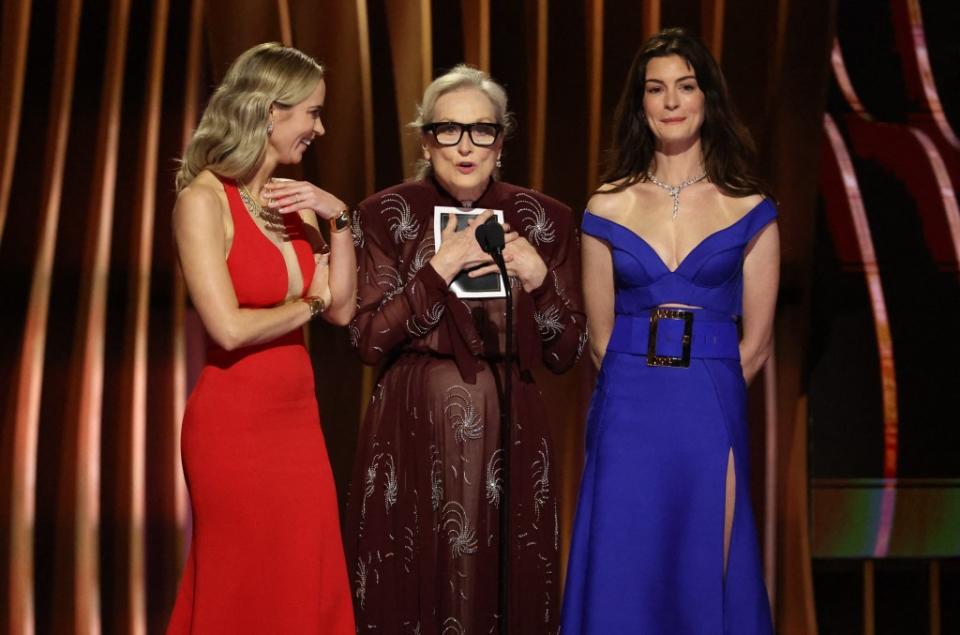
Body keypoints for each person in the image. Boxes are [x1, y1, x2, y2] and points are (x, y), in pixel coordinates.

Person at [344, 64, 587, 633]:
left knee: (506, 582)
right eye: (448, 130)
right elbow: (366, 337)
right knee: (410, 580)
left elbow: (567, 352)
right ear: (426, 139)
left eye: (482, 130)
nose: (466, 145)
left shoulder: (546, 219)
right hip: (411, 426)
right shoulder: (384, 214)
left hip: (511, 423)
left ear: (501, 141)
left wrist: (539, 280)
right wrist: (437, 270)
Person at [561, 28, 779, 633]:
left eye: (685, 86)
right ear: (640, 105)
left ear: (708, 97)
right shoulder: (606, 206)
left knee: (710, 554)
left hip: (710, 400)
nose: (672, 101)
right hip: (628, 401)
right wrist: (637, 383)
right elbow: (599, 337)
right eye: (656, 90)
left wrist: (708, 386)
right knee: (626, 557)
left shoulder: (751, 207)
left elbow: (757, 343)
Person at [166, 43, 355, 633]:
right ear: (269, 112)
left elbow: (343, 311)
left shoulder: (288, 203)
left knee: (305, 578)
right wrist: (311, 301)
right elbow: (227, 326)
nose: (318, 128)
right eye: (311, 112)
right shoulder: (202, 200)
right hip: (233, 426)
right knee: (243, 585)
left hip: (298, 422)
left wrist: (339, 218)